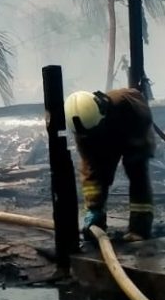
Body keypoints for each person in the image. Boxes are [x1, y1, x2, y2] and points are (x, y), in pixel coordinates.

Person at [64, 87, 155, 241]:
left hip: (133, 131)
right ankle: (97, 224)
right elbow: (90, 168)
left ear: (102, 111)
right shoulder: (83, 129)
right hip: (104, 136)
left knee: (136, 171)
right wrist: (93, 207)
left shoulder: (128, 103)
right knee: (96, 175)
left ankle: (140, 228)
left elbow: (143, 125)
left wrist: (134, 150)